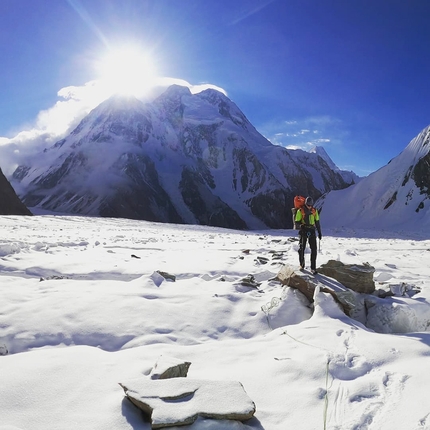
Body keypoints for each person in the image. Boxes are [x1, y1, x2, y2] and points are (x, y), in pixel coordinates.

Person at [294, 196, 322, 274]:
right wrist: (301, 226)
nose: (309, 206)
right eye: (308, 205)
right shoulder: (300, 210)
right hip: (304, 230)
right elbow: (296, 221)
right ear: (306, 203)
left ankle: (313, 268)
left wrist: (319, 232)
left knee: (314, 249)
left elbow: (317, 222)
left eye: (310, 205)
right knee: (301, 248)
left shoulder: (314, 211)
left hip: (312, 230)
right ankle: (302, 265)